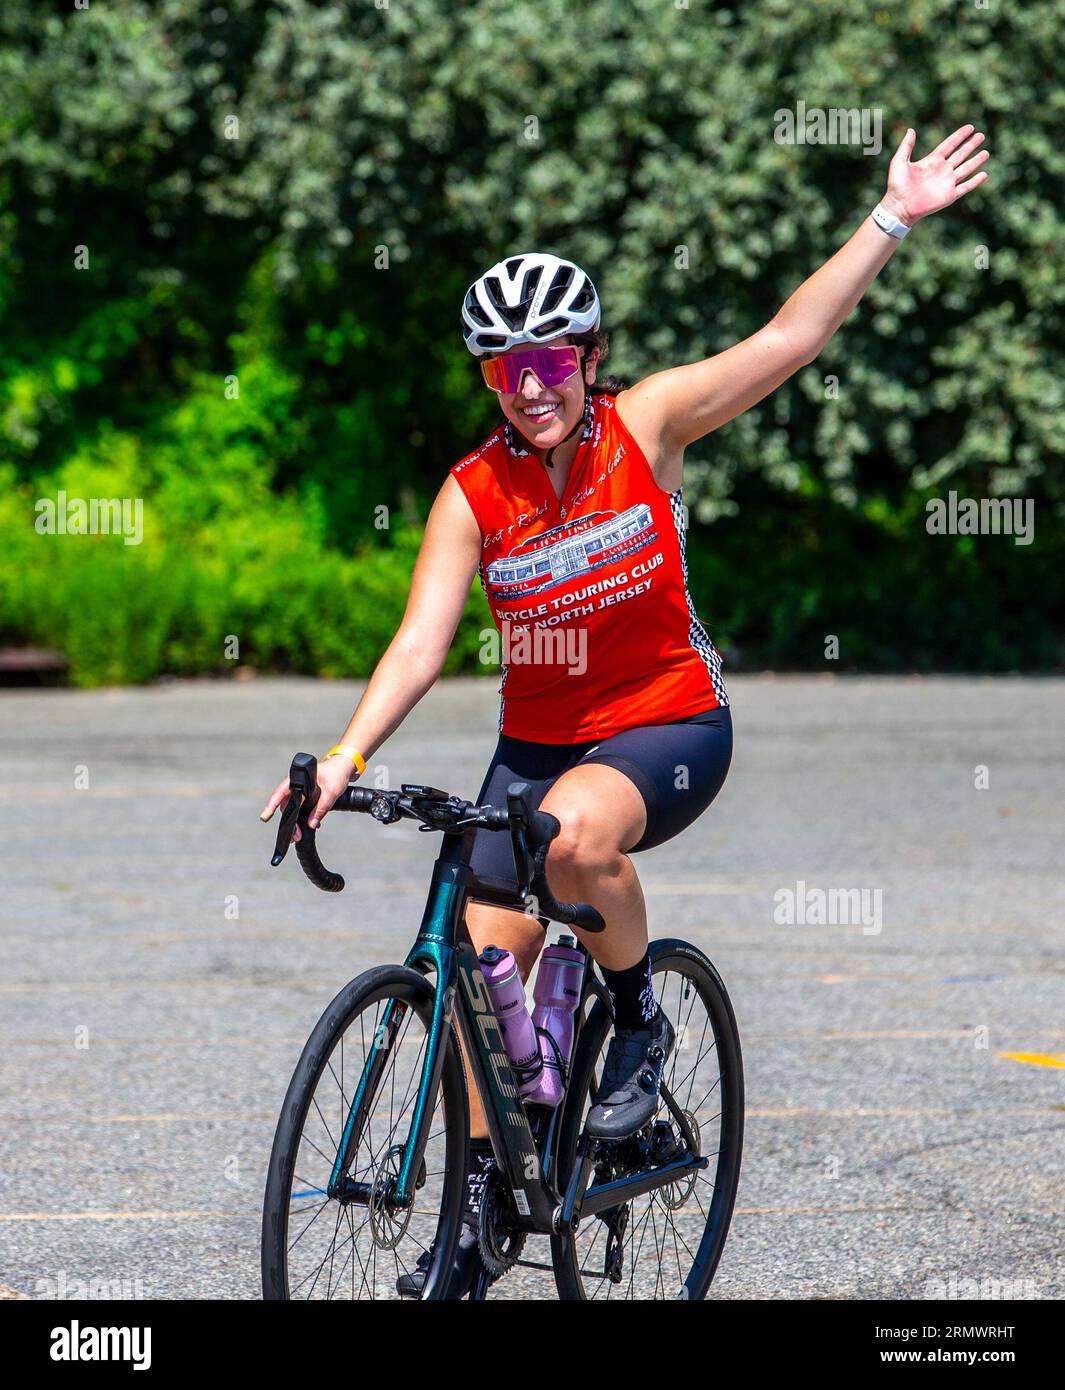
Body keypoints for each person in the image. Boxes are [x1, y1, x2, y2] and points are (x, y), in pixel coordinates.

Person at [261, 124, 989, 1297]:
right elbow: (418, 641)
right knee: (469, 981)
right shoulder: (470, 493)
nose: (534, 384)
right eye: (507, 369)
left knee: (573, 835)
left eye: (553, 359)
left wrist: (891, 217)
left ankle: (639, 1014)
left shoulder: (648, 426)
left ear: (590, 357)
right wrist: (344, 758)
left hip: (667, 721)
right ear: (488, 382)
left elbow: (789, 338)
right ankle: (485, 1215)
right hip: (535, 739)